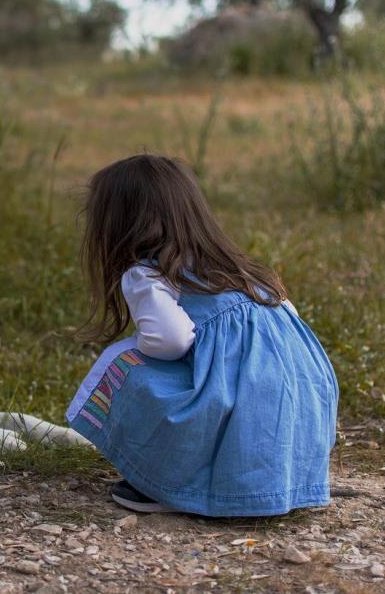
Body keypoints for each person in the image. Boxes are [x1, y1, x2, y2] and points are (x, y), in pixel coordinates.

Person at [66, 154, 338, 517]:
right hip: (301, 404)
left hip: (241, 405)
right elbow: (289, 327)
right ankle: (273, 480)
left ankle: (170, 484)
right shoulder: (242, 271)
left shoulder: (147, 275)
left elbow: (171, 340)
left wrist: (140, 347)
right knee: (238, 386)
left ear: (118, 225)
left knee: (124, 363)